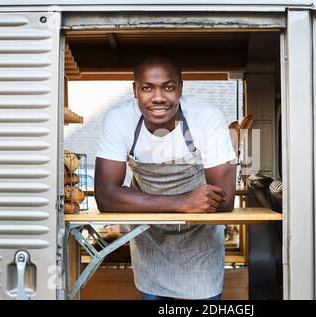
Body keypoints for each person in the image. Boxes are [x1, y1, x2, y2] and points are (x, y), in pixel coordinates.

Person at [95, 54, 236, 300]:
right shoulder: (119, 119)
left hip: (200, 244)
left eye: (168, 87)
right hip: (151, 241)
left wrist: (133, 199)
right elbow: (105, 197)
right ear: (135, 90)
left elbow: (224, 200)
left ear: (180, 89)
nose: (158, 97)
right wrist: (182, 202)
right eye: (147, 88)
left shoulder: (207, 118)